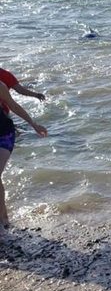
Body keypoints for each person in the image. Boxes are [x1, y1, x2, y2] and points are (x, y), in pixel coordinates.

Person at [1, 82, 47, 232]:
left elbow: (14, 106)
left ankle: (3, 221)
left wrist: (34, 125)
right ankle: (4, 217)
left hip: (3, 133)